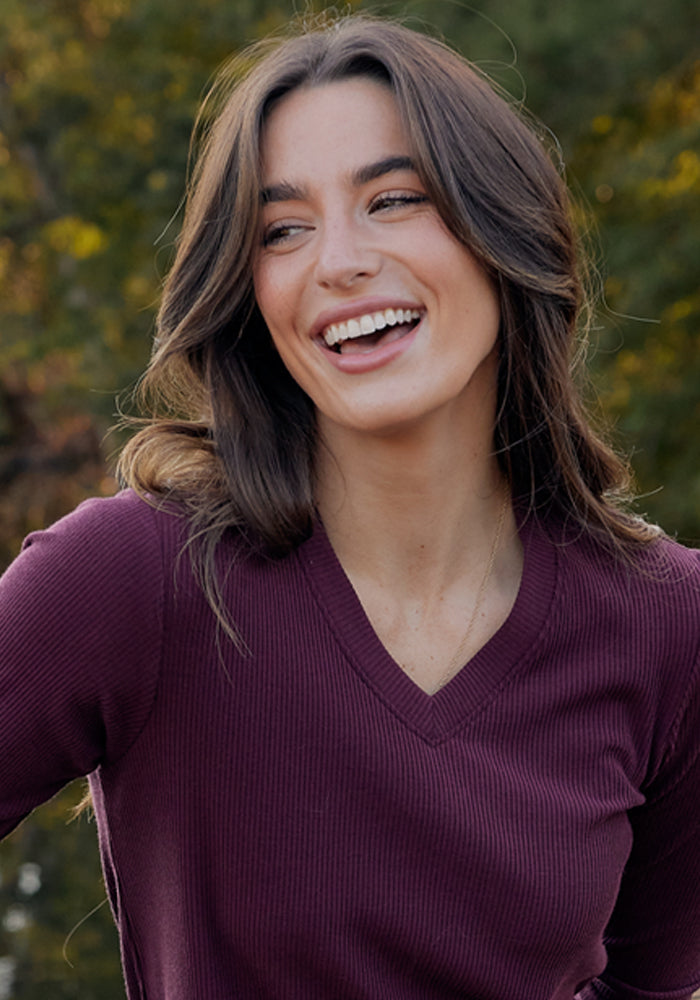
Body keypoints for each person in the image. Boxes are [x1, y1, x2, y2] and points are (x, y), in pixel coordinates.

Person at [1, 13, 699, 1000]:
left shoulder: (669, 623)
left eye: (394, 199)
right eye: (282, 229)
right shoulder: (131, 577)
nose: (338, 260)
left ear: (500, 229)